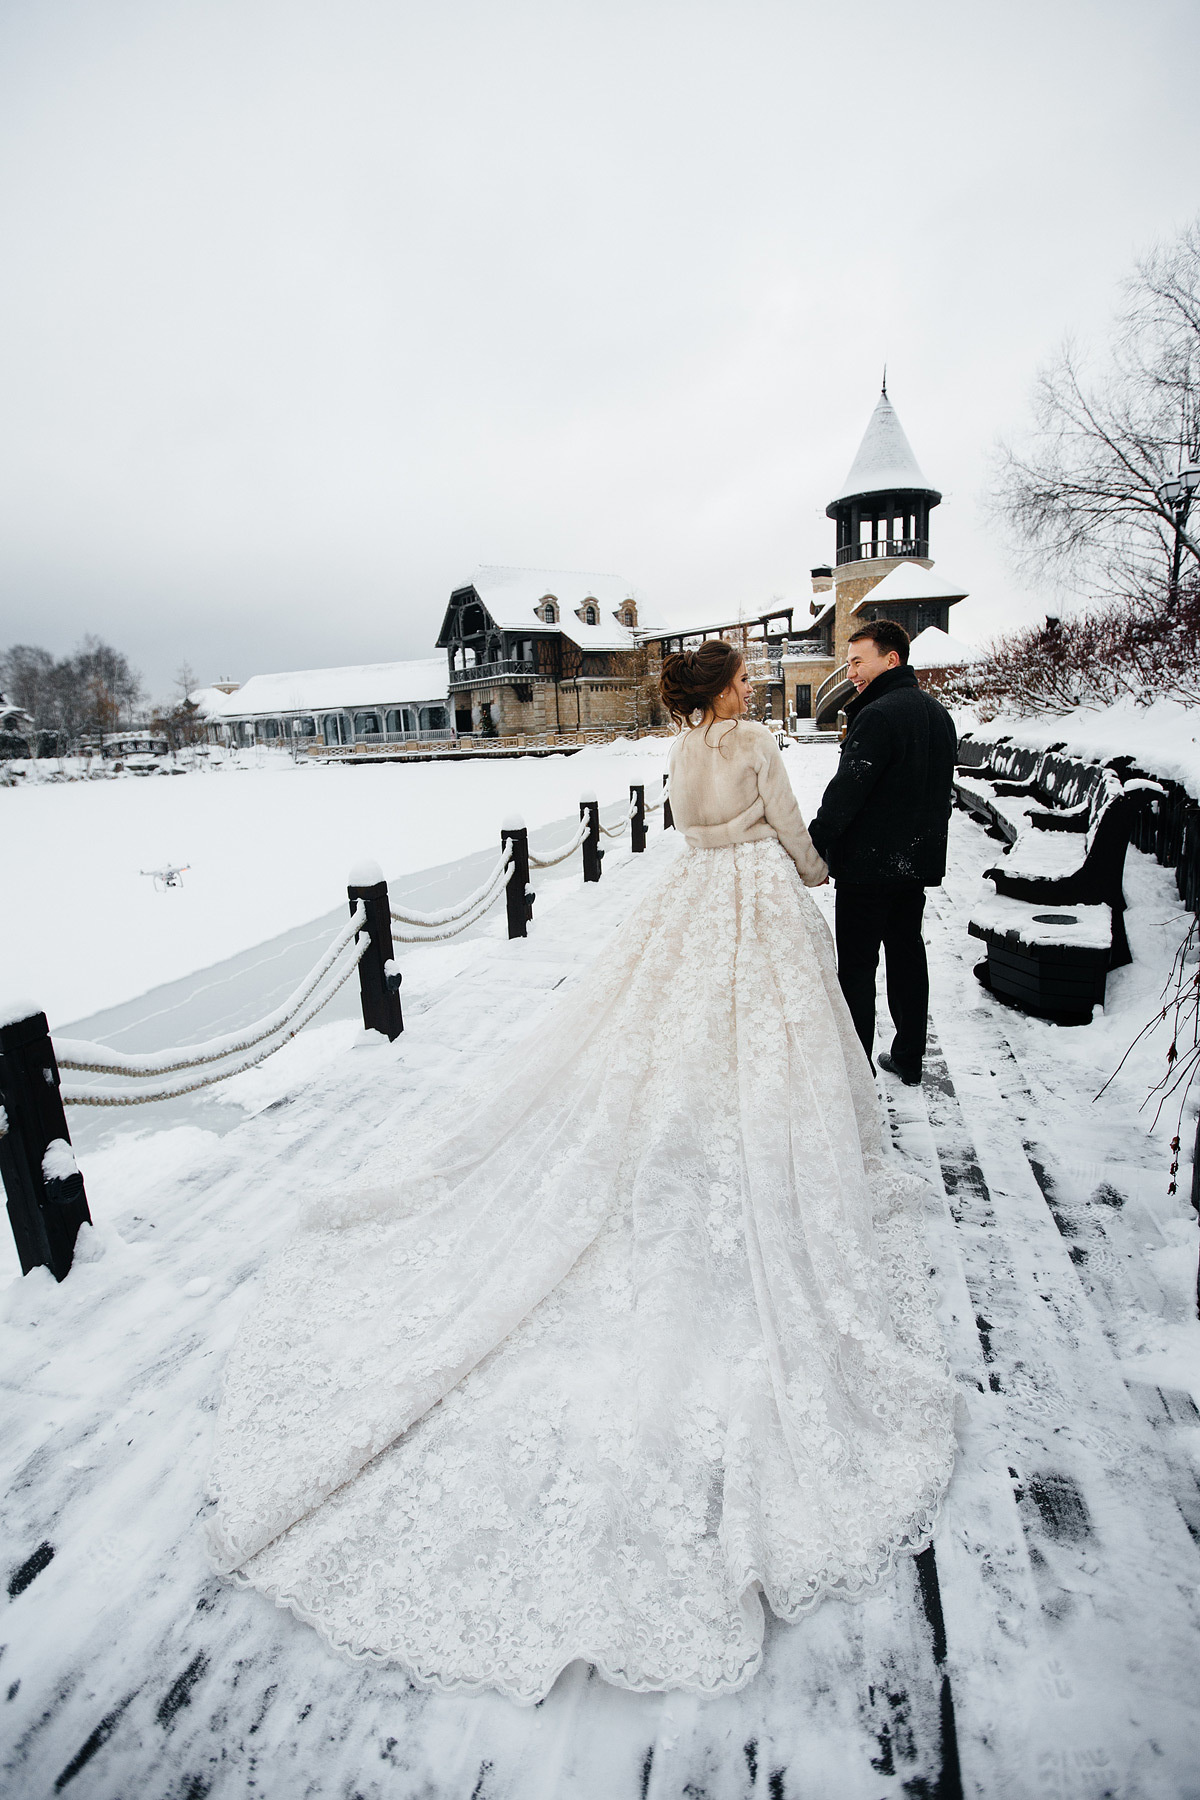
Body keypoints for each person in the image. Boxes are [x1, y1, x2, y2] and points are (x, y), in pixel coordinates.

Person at [207, 640, 955, 1705]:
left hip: (691, 887)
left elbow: (699, 825)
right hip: (748, 891)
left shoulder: (682, 746)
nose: (747, 688)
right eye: (737, 677)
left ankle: (682, 1122)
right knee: (767, 1025)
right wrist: (813, 870)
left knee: (667, 1022)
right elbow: (789, 827)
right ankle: (754, 1132)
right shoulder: (749, 739)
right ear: (723, 693)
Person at [807, 621, 958, 1087]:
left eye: (858, 661)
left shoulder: (877, 715)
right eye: (848, 662)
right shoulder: (938, 714)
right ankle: (910, 1058)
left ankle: (858, 1071)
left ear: (891, 660)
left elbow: (846, 793)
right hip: (914, 865)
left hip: (868, 869)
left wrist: (815, 844)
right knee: (907, 955)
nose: (850, 672)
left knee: (856, 966)